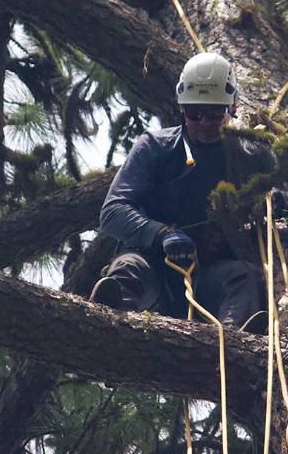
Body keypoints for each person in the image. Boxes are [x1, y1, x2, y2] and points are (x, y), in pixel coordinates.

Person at [92, 52, 276, 333]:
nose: (204, 122)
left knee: (244, 278)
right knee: (128, 268)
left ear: (233, 107)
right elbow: (113, 212)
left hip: (209, 275)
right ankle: (109, 326)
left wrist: (279, 201)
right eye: (194, 113)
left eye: (214, 114)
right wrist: (160, 233)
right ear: (181, 108)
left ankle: (234, 345)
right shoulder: (156, 147)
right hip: (153, 266)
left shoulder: (250, 157)